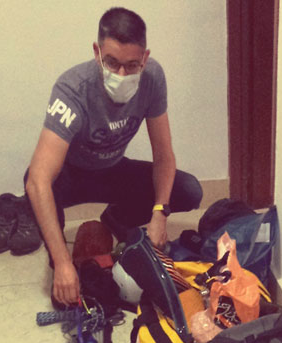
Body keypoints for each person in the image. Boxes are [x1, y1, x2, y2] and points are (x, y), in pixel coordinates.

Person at [25, 6, 203, 307]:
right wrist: (64, 264)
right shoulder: (72, 89)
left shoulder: (153, 78)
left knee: (188, 190)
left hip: (112, 169)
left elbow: (164, 155)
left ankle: (117, 218)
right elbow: (38, 180)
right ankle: (62, 264)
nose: (121, 74)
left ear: (144, 58)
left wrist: (160, 213)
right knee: (35, 189)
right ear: (97, 53)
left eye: (132, 65)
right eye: (112, 63)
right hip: (71, 175)